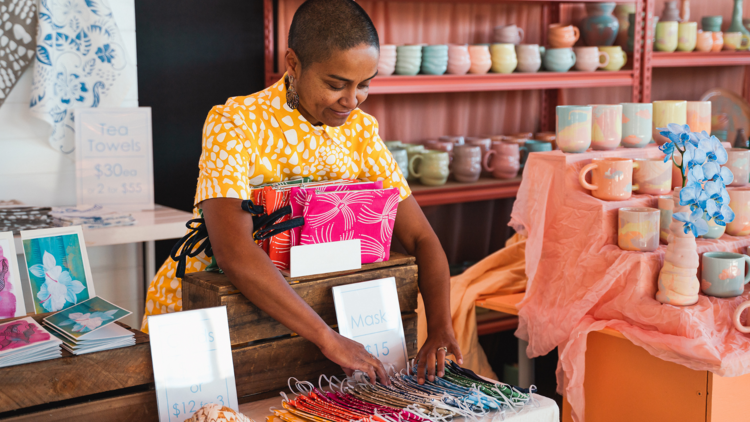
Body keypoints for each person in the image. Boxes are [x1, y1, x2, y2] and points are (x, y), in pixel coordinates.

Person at [142, 0, 462, 385]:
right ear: (293, 64)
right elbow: (233, 250)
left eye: (365, 84)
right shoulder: (236, 122)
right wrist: (327, 338)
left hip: (305, 320)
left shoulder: (360, 132)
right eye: (335, 84)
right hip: (209, 315)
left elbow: (421, 237)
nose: (352, 100)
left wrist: (441, 325)